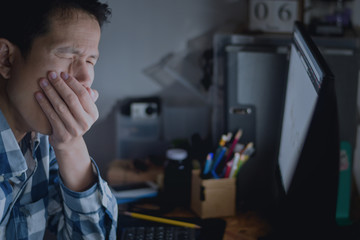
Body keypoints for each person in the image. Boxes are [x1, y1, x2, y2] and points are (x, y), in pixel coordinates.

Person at [0, 0, 118, 239]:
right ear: (6, 59)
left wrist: (71, 145)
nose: (85, 77)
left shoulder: (42, 142)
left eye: (90, 61)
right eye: (66, 55)